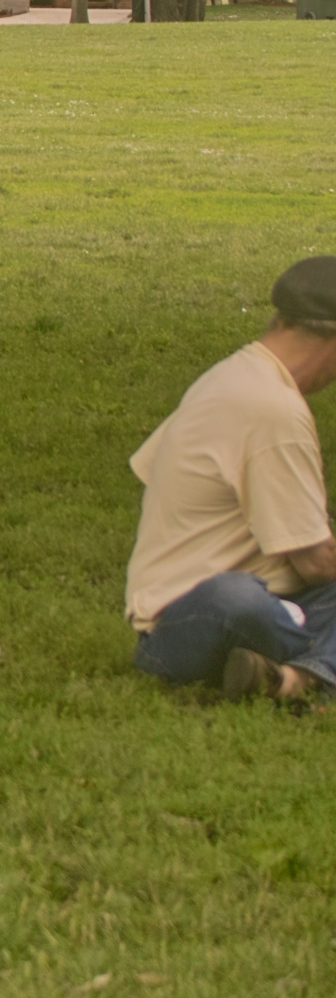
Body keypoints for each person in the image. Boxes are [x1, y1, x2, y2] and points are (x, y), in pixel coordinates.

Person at [125, 257, 336, 702]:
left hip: (201, 618)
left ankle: (280, 679)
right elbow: (316, 563)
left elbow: (150, 469)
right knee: (237, 598)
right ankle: (310, 678)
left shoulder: (229, 376)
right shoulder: (275, 410)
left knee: (245, 597)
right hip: (197, 622)